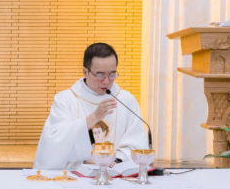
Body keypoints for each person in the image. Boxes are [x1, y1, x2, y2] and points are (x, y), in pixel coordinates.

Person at [34, 43, 149, 171]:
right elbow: (53, 143)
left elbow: (136, 144)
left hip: (116, 178)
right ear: (85, 72)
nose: (106, 81)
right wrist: (94, 117)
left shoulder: (126, 100)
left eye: (112, 74)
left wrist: (116, 160)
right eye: (100, 74)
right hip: (74, 178)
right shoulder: (66, 100)